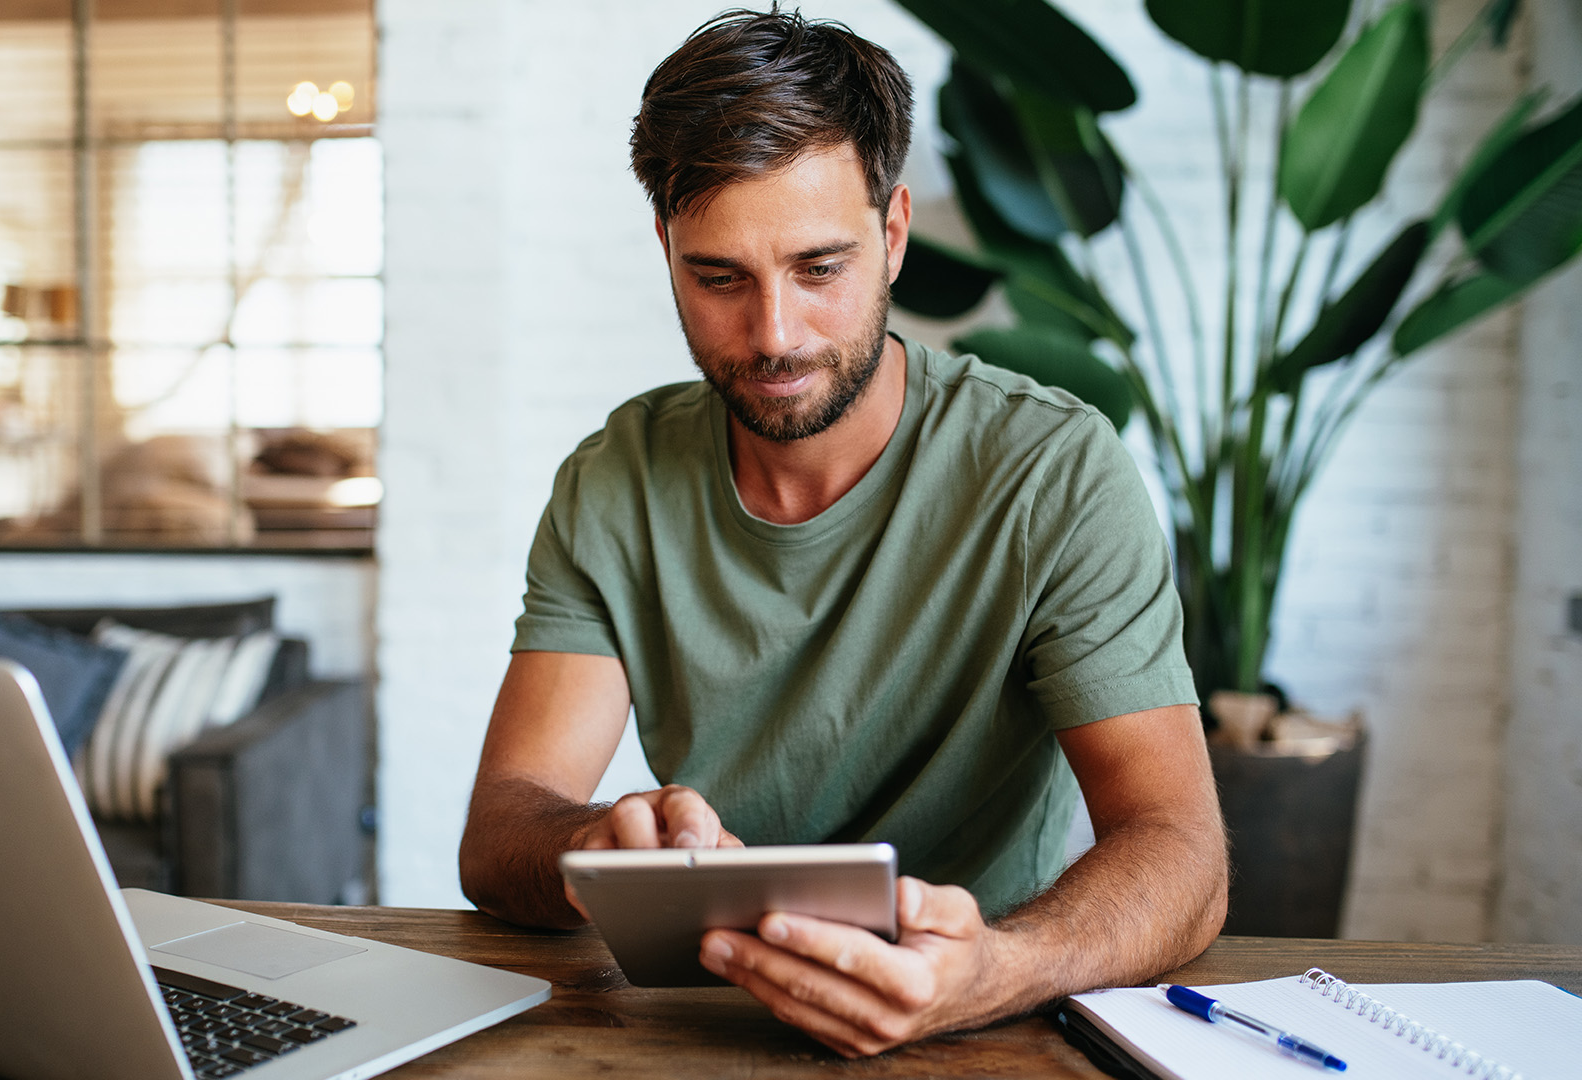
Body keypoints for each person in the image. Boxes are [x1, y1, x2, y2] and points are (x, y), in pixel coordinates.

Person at [457, 7, 1227, 1057]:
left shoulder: (1053, 472)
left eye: (820, 268)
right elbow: (504, 823)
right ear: (666, 249)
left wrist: (999, 969)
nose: (774, 335)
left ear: (895, 232)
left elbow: (1182, 847)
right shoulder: (617, 480)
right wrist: (592, 844)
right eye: (718, 277)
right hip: (699, 1025)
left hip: (987, 1016)